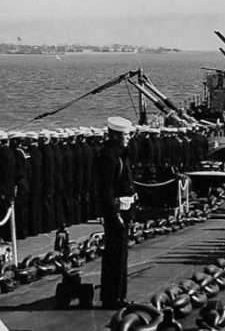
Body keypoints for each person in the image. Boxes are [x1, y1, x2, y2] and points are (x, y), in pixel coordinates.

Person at [99, 116, 137, 309]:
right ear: (115, 136)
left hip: (125, 210)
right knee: (114, 256)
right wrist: (113, 215)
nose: (128, 138)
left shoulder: (121, 155)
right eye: (126, 135)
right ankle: (111, 297)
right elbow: (105, 189)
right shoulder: (108, 157)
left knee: (121, 256)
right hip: (116, 213)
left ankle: (119, 295)